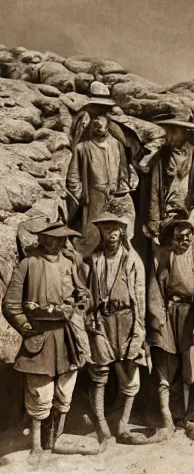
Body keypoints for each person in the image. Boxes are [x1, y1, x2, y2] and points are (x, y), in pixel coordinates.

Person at [2, 220, 89, 455]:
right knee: (39, 392)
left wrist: (74, 311)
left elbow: (83, 296)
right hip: (38, 337)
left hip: (66, 337)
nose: (56, 242)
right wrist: (26, 326)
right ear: (40, 238)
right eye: (51, 238)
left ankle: (56, 438)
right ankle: (36, 446)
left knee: (65, 389)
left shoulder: (70, 264)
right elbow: (10, 304)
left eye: (60, 238)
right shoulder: (27, 265)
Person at [146, 217, 194, 437]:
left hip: (190, 315)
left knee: (189, 366)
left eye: (188, 237)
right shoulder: (165, 256)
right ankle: (166, 414)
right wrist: (158, 317)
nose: (184, 241)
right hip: (168, 312)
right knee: (166, 359)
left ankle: (187, 416)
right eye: (179, 237)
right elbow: (155, 287)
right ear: (173, 238)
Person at [84, 212, 146, 448]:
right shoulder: (95, 258)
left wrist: (139, 330)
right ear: (100, 232)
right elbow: (88, 295)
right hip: (103, 320)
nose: (111, 234)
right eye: (106, 229)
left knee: (130, 376)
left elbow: (139, 296)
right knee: (99, 373)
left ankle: (123, 423)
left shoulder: (132, 259)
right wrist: (92, 322)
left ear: (122, 232)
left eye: (115, 229)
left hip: (127, 320)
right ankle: (100, 423)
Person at [66, 82, 138, 256]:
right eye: (95, 118)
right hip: (93, 199)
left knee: (118, 238)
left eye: (101, 117)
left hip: (115, 198)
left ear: (108, 121)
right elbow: (73, 177)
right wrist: (80, 195)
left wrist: (122, 191)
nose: (98, 122)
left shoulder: (117, 144)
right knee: (90, 239)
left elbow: (123, 172)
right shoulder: (82, 147)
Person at [147, 113, 194, 247]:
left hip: (190, 219)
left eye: (174, 131)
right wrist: (154, 221)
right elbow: (154, 191)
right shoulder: (161, 158)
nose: (169, 135)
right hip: (166, 219)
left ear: (184, 133)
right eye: (168, 130)